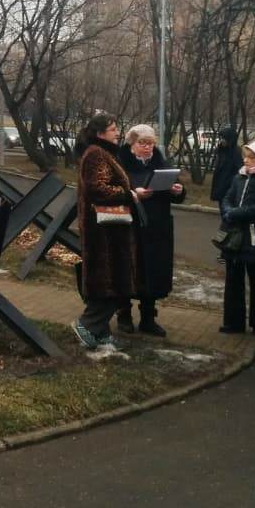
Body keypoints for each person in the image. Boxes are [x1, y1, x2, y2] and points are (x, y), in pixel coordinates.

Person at [72, 112, 144, 349]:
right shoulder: (95, 154)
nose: (117, 133)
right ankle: (87, 324)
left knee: (114, 282)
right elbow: (98, 188)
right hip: (103, 231)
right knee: (110, 282)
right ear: (101, 133)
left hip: (111, 229)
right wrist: (129, 194)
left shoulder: (103, 153)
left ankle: (100, 333)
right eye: (113, 129)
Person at [118, 124, 186, 337]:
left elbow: (178, 191)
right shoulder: (120, 164)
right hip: (130, 226)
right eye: (142, 143)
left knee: (153, 272)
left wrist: (178, 190)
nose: (147, 147)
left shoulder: (161, 163)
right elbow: (113, 190)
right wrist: (133, 192)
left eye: (151, 143)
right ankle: (124, 315)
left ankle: (148, 318)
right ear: (132, 144)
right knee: (128, 269)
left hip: (157, 227)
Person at [218, 138, 255, 338]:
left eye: (252, 157)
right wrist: (227, 209)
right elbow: (227, 197)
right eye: (246, 156)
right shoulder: (240, 177)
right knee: (233, 280)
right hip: (234, 237)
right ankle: (233, 322)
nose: (246, 160)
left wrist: (235, 213)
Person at [210, 126, 243, 205]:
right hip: (220, 187)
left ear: (230, 139)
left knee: (228, 214)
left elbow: (239, 172)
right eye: (220, 138)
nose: (221, 140)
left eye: (223, 138)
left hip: (229, 190)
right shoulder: (221, 150)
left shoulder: (236, 153)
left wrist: (229, 186)